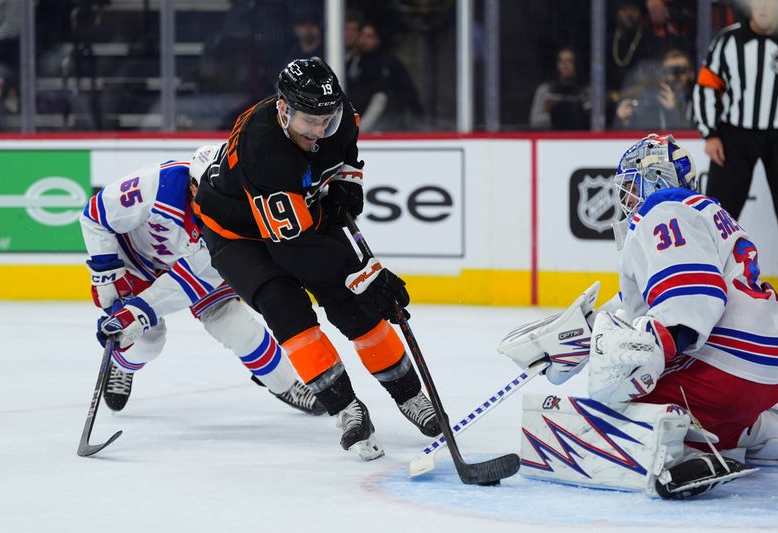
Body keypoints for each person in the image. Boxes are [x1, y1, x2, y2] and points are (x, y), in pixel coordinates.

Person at [501, 133, 778, 498]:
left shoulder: (663, 207)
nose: (627, 199)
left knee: (613, 389)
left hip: (723, 367)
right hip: (761, 373)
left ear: (657, 178)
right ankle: (752, 431)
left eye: (631, 186)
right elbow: (640, 305)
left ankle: (675, 451)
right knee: (627, 349)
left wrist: (649, 349)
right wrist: (574, 337)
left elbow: (692, 295)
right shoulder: (704, 212)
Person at [195, 57, 440, 460]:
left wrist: (346, 183)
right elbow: (295, 246)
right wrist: (367, 274)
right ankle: (346, 409)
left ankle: (412, 397)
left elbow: (345, 155)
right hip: (236, 232)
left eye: (327, 119)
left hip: (297, 211)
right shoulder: (263, 148)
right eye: (310, 121)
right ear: (284, 109)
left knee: (356, 306)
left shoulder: (337, 117)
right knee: (286, 308)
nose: (320, 130)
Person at [81, 145, 324, 417]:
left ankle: (286, 385)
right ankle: (123, 365)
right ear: (193, 186)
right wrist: (106, 277)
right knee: (149, 341)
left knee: (237, 327)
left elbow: (188, 282)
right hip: (134, 264)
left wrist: (137, 312)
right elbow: (96, 216)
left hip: (192, 274)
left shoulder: (234, 221)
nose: (221, 202)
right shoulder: (157, 184)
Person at [693, 0, 778, 221]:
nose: (763, 8)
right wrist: (710, 134)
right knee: (718, 215)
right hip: (735, 136)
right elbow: (706, 86)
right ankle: (712, 257)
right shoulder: (728, 39)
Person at [614, 48, 694, 130]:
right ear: (662, 73)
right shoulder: (651, 102)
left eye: (681, 70)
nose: (676, 75)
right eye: (670, 70)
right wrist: (622, 120)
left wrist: (673, 111)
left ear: (691, 73)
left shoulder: (696, 104)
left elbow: (690, 138)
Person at [529, 46, 590, 130]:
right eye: (561, 61)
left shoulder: (587, 91)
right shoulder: (545, 90)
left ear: (577, 64)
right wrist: (559, 117)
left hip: (581, 139)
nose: (565, 65)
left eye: (569, 61)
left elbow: (594, 121)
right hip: (552, 139)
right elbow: (535, 122)